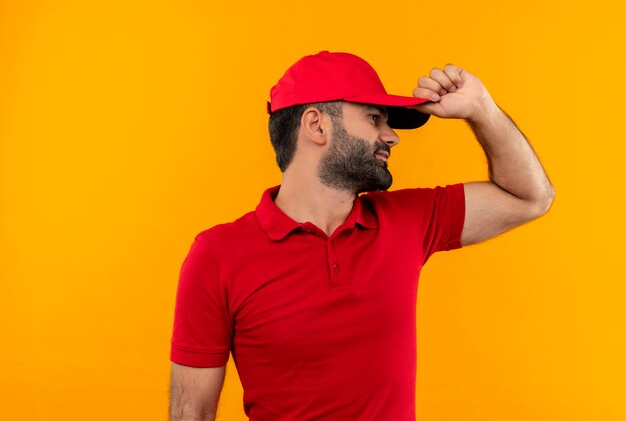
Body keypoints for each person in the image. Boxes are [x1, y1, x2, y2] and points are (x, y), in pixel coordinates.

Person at [168, 50, 554, 421]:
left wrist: (481, 109)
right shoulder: (217, 255)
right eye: (374, 118)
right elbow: (191, 414)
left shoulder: (410, 220)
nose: (391, 137)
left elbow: (531, 197)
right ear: (317, 125)